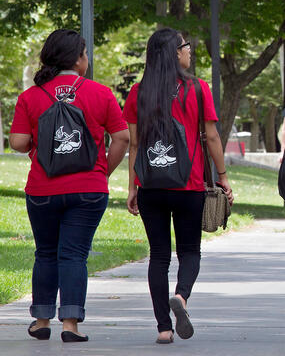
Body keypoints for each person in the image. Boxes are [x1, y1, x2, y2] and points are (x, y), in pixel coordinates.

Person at [10, 29, 129, 343]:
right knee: (74, 255)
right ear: (77, 59)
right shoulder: (101, 93)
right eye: (85, 53)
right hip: (88, 188)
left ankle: (41, 320)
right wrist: (104, 172)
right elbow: (123, 138)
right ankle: (71, 326)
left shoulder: (30, 96)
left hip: (42, 189)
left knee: (46, 253)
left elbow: (18, 142)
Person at [123, 29, 233, 344]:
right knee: (189, 251)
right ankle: (181, 298)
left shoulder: (138, 91)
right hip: (189, 186)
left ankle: (163, 328)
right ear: (175, 53)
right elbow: (211, 137)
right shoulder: (197, 89)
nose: (189, 51)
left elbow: (135, 144)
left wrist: (133, 187)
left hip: (151, 186)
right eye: (185, 46)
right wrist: (222, 176)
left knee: (158, 255)